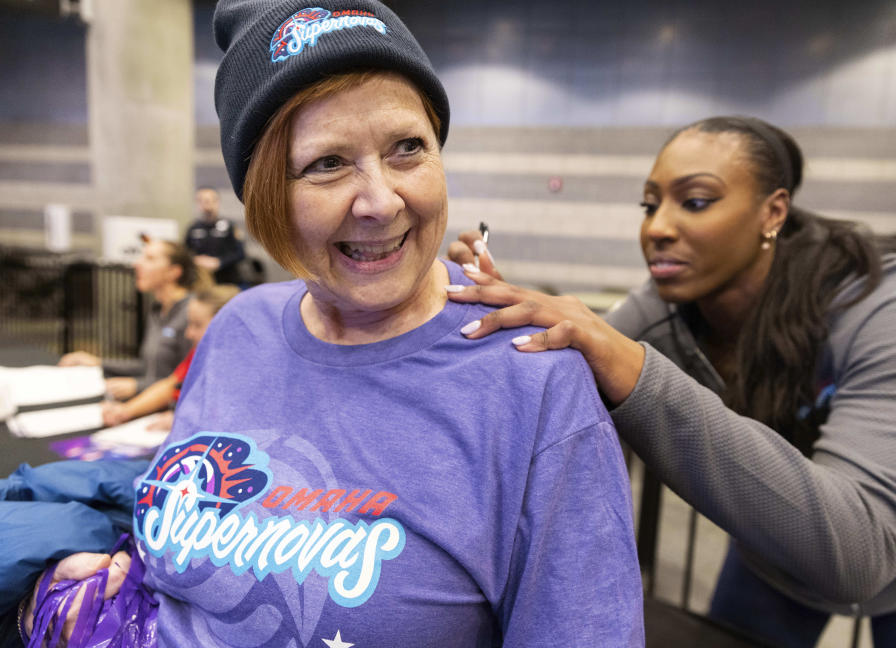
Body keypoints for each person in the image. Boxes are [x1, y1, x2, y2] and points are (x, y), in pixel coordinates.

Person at [21, 2, 645, 646]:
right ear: (264, 199)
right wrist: (110, 591)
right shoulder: (241, 326)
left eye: (409, 148)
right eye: (328, 163)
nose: (380, 200)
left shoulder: (533, 379)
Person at [446, 116, 896, 648]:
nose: (657, 228)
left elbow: (860, 551)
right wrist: (503, 319)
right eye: (650, 205)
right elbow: (560, 369)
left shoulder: (886, 302)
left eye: (694, 201)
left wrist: (639, 373)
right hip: (774, 554)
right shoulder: (659, 310)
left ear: (773, 212)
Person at [59, 238, 199, 401]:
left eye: (150, 259)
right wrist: (98, 362)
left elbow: (190, 378)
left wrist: (138, 386)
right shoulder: (156, 310)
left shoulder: (192, 313)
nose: (137, 264)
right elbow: (150, 366)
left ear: (173, 272)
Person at [100, 284, 239, 428]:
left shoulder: (245, 368)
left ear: (227, 326)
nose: (188, 334)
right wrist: (126, 411)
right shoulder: (202, 352)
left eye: (197, 325)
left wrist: (185, 420)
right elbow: (171, 384)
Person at [185, 186, 246, 285]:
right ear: (197, 203)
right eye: (202, 200)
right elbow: (184, 253)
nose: (206, 203)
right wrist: (196, 260)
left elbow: (240, 253)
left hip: (227, 281)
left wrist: (219, 262)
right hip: (202, 282)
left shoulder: (229, 226)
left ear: (217, 202)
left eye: (209, 200)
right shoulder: (193, 228)